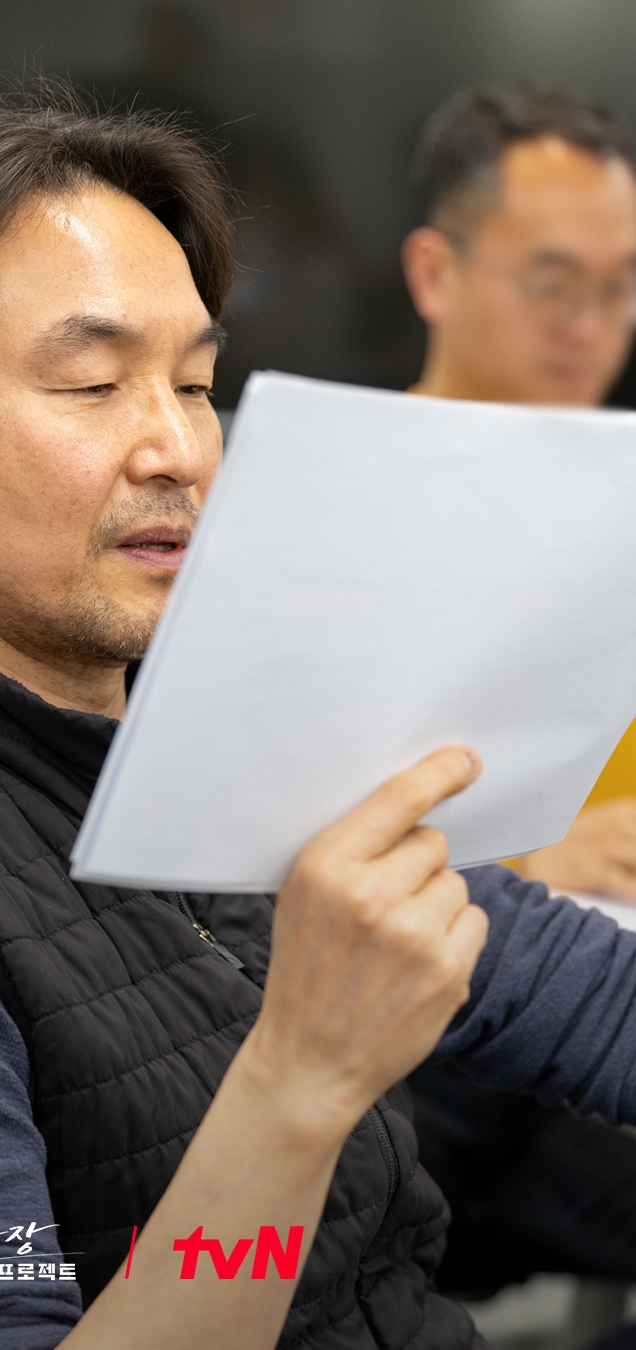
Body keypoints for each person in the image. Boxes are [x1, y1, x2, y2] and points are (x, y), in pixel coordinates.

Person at [0, 92, 636, 1350]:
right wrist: (300, 1081)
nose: (179, 450)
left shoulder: (251, 769)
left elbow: (593, 1002)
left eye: (196, 385)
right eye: (93, 383)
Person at [401, 82, 636, 1298]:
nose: (589, 326)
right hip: (436, 1046)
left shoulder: (617, 510)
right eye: (551, 283)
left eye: (621, 286)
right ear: (435, 274)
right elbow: (251, 868)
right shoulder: (325, 518)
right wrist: (535, 859)